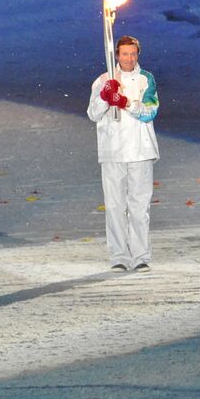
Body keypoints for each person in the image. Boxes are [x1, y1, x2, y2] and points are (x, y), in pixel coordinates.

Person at [87, 35, 160, 273]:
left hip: (141, 150)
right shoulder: (102, 80)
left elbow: (150, 112)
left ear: (137, 55)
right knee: (115, 206)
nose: (129, 58)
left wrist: (125, 102)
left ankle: (140, 256)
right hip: (112, 150)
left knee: (139, 206)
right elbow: (93, 114)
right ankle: (119, 256)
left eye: (133, 54)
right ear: (116, 55)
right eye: (124, 54)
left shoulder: (145, 79)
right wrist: (105, 98)